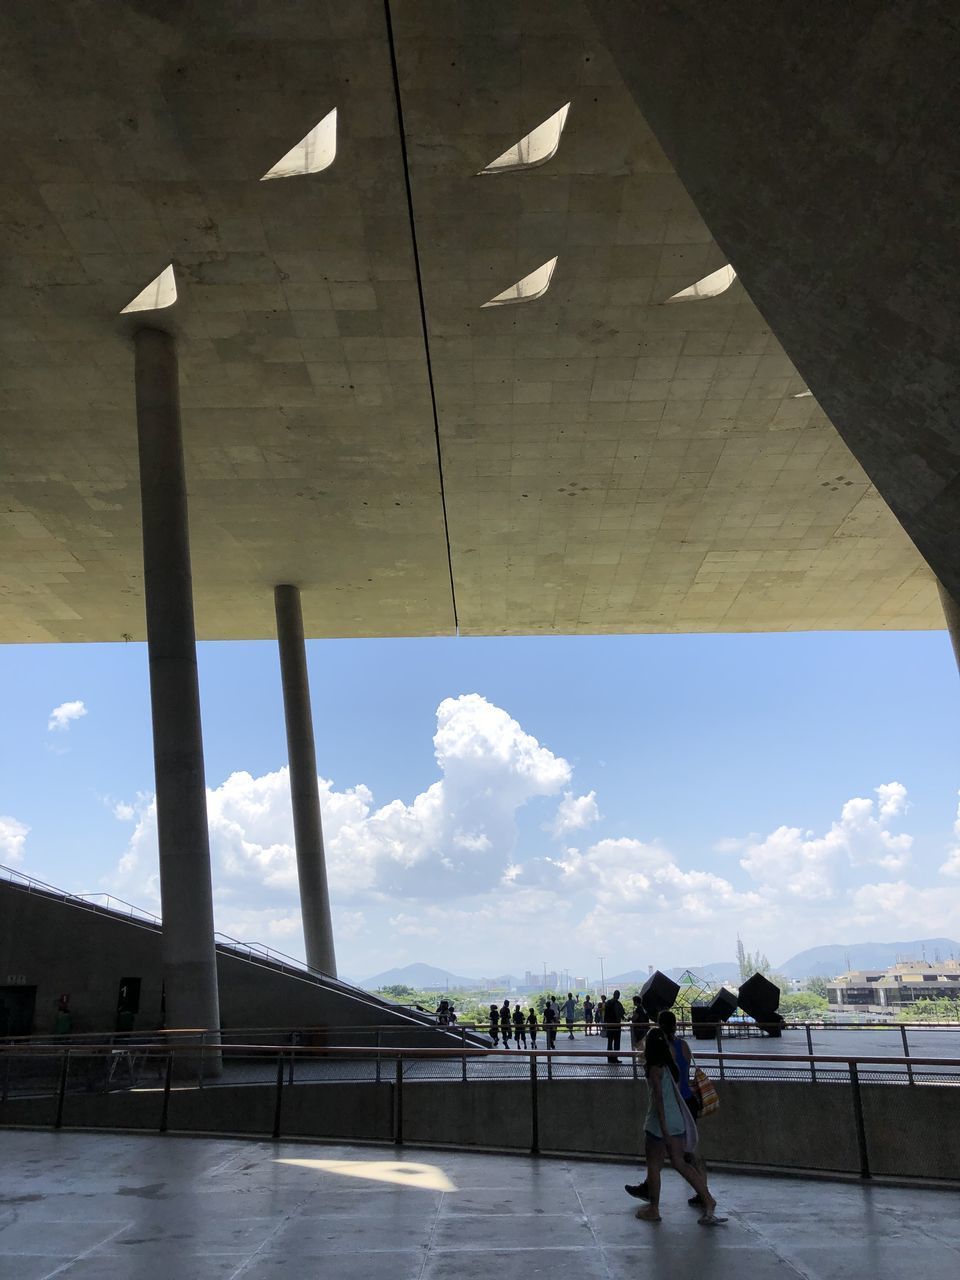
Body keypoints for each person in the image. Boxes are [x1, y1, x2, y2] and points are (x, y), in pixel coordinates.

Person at [629, 1027, 723, 1226]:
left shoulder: (654, 1069)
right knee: (681, 1163)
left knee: (654, 1165)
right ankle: (708, 1199)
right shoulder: (672, 1066)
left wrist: (662, 1126)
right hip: (677, 1120)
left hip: (659, 1123)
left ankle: (653, 1209)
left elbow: (659, 1100)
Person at [604, 989, 626, 1064]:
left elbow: (605, 1015)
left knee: (610, 1042)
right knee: (616, 1042)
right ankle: (615, 1057)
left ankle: (609, 1058)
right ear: (618, 996)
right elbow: (622, 1014)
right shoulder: (618, 1004)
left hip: (609, 1025)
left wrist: (605, 1024)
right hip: (616, 1025)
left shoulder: (608, 1003)